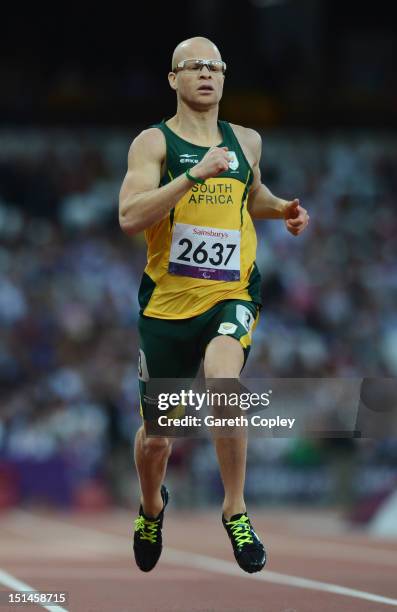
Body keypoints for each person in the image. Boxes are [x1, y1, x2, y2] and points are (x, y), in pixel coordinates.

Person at [119, 36, 309, 574]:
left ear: (224, 78)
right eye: (193, 66)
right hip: (167, 308)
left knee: (224, 383)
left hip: (231, 290)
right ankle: (153, 506)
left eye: (215, 66)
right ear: (173, 78)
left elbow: (251, 195)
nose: (206, 73)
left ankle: (235, 509)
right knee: (158, 438)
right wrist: (192, 175)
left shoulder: (246, 141)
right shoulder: (152, 144)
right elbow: (131, 216)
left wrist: (284, 209)